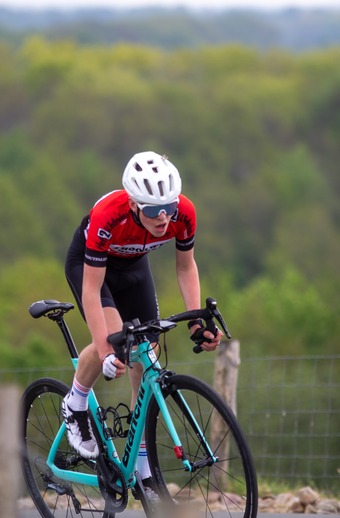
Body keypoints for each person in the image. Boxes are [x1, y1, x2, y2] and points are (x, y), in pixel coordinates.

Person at [61, 151, 223, 497]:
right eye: (152, 210)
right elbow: (91, 290)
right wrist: (105, 348)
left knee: (145, 352)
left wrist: (197, 323)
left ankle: (141, 462)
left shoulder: (184, 213)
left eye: (168, 206)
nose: (163, 217)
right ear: (134, 204)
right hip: (92, 269)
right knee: (115, 338)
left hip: (134, 269)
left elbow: (186, 268)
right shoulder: (109, 216)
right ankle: (75, 403)